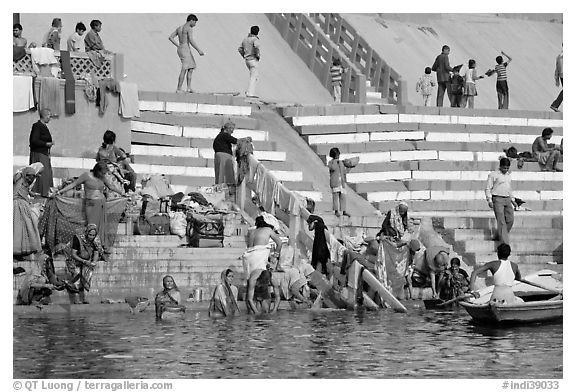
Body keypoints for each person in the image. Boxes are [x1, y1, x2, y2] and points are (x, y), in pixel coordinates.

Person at [54, 162, 126, 250]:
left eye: (104, 173)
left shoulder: (102, 177)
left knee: (99, 225)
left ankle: (98, 246)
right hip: (90, 204)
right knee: (91, 224)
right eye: (102, 172)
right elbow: (74, 184)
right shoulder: (86, 175)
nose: (104, 174)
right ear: (97, 170)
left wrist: (122, 193)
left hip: (100, 203)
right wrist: (60, 192)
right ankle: (89, 245)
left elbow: (111, 187)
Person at [63, 224, 104, 304]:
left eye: (93, 235)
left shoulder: (96, 240)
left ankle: (83, 298)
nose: (91, 237)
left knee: (85, 276)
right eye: (90, 235)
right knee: (77, 275)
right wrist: (84, 261)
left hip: (86, 259)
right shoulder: (78, 238)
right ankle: (76, 299)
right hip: (73, 258)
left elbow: (96, 253)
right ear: (86, 233)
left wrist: (94, 262)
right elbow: (73, 254)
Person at [13, 165, 44, 259]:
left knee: (27, 228)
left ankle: (23, 250)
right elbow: (16, 192)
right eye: (29, 176)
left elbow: (25, 191)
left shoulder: (25, 182)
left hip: (23, 205)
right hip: (17, 205)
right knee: (18, 228)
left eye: (33, 176)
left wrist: (32, 194)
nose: (31, 178)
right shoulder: (20, 180)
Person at [169, 14, 205, 93]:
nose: (195, 24)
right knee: (184, 69)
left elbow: (171, 37)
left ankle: (188, 88)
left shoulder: (179, 28)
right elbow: (191, 40)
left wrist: (178, 45)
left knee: (191, 67)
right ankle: (179, 89)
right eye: (195, 22)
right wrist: (199, 50)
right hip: (185, 49)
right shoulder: (188, 28)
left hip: (181, 49)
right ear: (191, 20)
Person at [485, 157, 517, 244]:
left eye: (507, 168)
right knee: (501, 221)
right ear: (500, 166)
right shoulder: (493, 175)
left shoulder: (508, 176)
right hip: (497, 198)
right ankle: (504, 243)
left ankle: (499, 234)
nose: (505, 170)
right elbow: (488, 188)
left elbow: (509, 189)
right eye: (504, 168)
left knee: (510, 219)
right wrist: (489, 200)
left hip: (507, 199)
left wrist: (513, 200)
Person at [29, 109, 54, 198]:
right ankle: (39, 193)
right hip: (38, 154)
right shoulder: (37, 126)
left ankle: (46, 192)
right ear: (45, 115)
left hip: (44, 154)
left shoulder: (44, 127)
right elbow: (34, 141)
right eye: (49, 116)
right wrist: (46, 144)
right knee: (42, 174)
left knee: (47, 174)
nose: (50, 118)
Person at [328, 147, 358, 217]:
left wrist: (349, 167)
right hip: (335, 183)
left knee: (343, 197)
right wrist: (336, 162)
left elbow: (344, 172)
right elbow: (332, 168)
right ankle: (336, 211)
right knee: (335, 197)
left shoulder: (341, 163)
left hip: (341, 183)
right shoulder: (331, 162)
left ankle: (344, 211)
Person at [238, 26, 261, 98]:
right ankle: (250, 93)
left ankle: (248, 91)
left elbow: (240, 49)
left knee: (253, 75)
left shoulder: (245, 39)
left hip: (247, 60)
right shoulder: (255, 39)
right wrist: (257, 56)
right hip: (253, 59)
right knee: (253, 77)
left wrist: (244, 55)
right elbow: (256, 47)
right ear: (257, 32)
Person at [550, 47, 563, 112]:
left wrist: (557, 79)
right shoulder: (561, 56)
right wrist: (556, 79)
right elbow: (557, 68)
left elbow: (557, 69)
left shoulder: (559, 56)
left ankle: (555, 105)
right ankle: (555, 105)